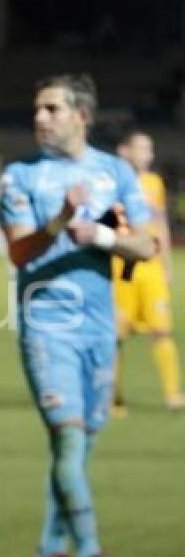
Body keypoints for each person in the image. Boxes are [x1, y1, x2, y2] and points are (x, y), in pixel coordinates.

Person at [0, 74, 155, 557]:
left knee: (79, 447)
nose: (39, 117)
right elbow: (21, 252)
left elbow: (147, 245)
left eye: (51, 109)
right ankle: (88, 549)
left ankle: (50, 547)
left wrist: (103, 237)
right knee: (68, 441)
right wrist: (61, 221)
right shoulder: (19, 175)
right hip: (48, 323)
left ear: (81, 116)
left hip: (99, 325)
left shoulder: (116, 173)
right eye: (38, 109)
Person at [111, 130, 185, 413]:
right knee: (116, 337)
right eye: (142, 148)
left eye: (150, 149)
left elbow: (161, 225)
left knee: (162, 331)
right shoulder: (112, 184)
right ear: (124, 151)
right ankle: (113, 399)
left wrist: (166, 265)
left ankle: (172, 394)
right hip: (122, 268)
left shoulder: (154, 183)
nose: (148, 155)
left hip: (151, 267)